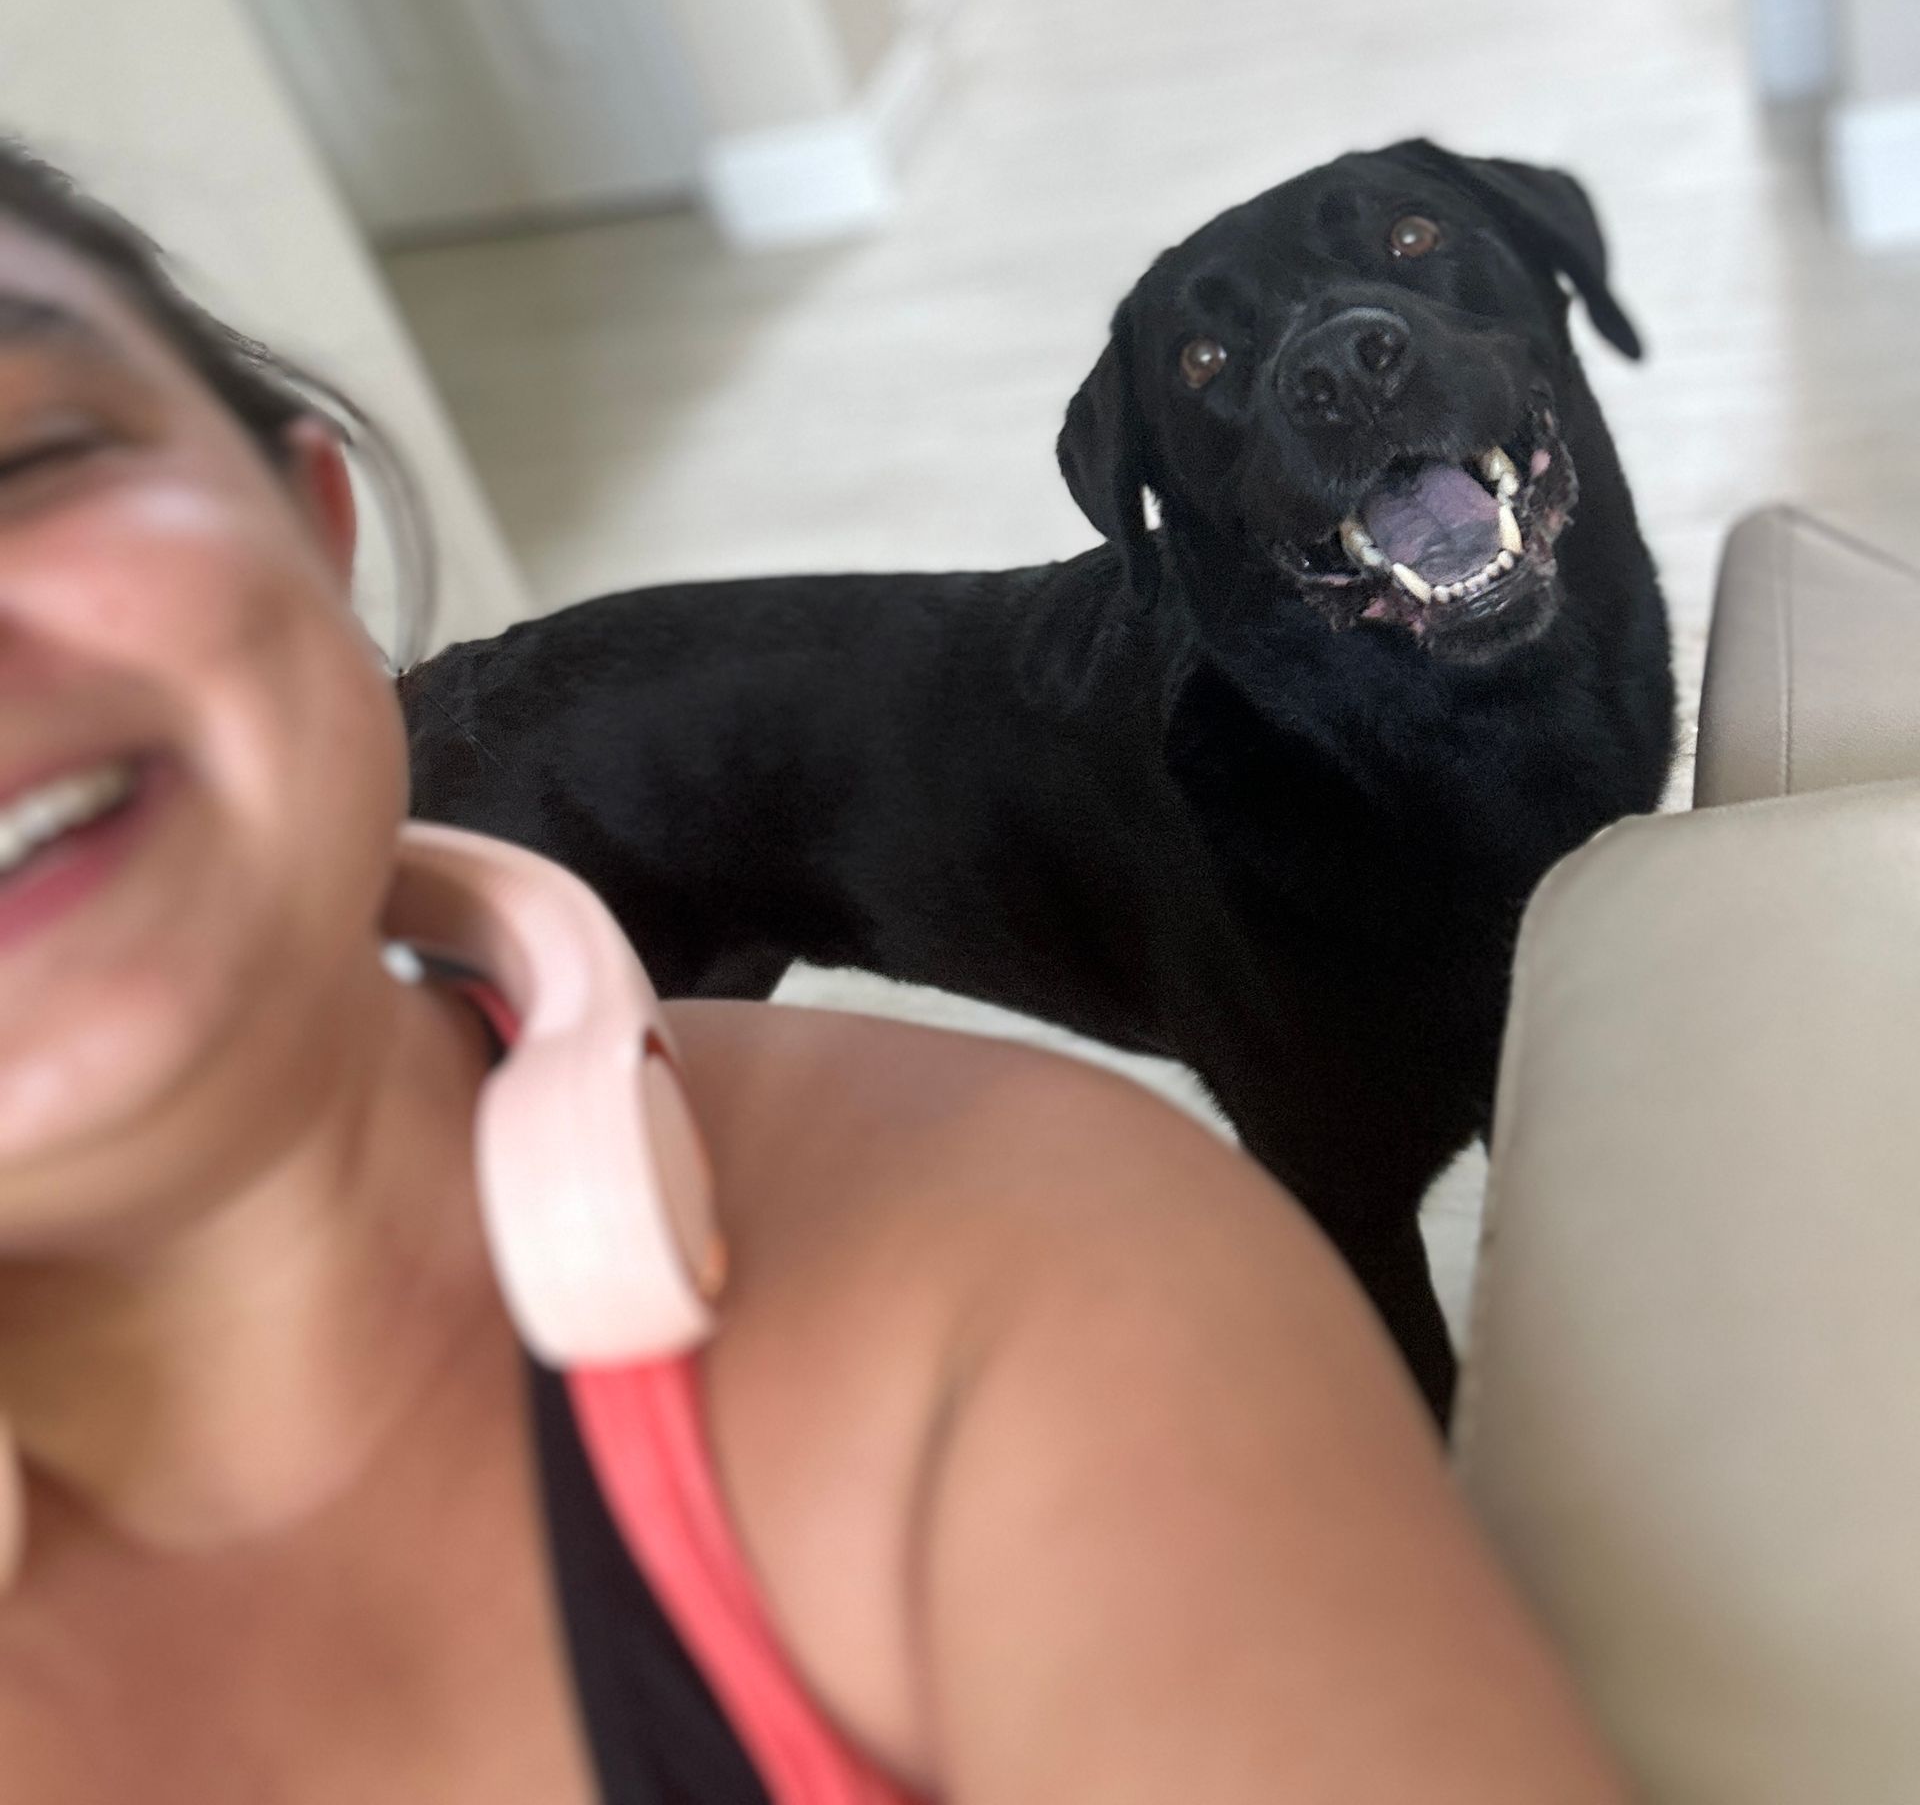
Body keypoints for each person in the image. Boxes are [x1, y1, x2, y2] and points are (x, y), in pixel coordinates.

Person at [0, 139, 1625, 1802]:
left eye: (33, 460)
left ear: (311, 524)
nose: (1348, 342)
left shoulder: (1044, 1294)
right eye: (1217, 362)